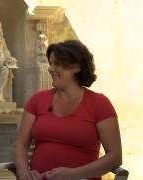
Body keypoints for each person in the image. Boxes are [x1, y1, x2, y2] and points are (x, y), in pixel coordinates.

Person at [14, 40, 122, 180]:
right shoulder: (37, 100)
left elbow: (115, 156)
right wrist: (24, 173)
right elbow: (21, 144)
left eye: (57, 64)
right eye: (51, 63)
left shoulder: (100, 104)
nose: (50, 68)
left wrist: (74, 174)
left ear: (76, 66)